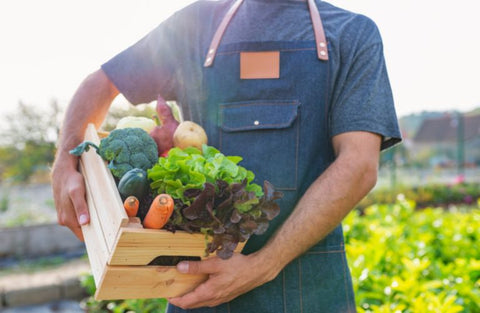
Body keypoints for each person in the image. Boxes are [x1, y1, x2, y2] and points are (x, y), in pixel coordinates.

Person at [51, 0, 402, 312]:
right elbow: (100, 84)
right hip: (199, 290)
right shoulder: (194, 26)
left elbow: (358, 165)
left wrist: (263, 265)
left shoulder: (352, 35)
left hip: (311, 291)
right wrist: (65, 163)